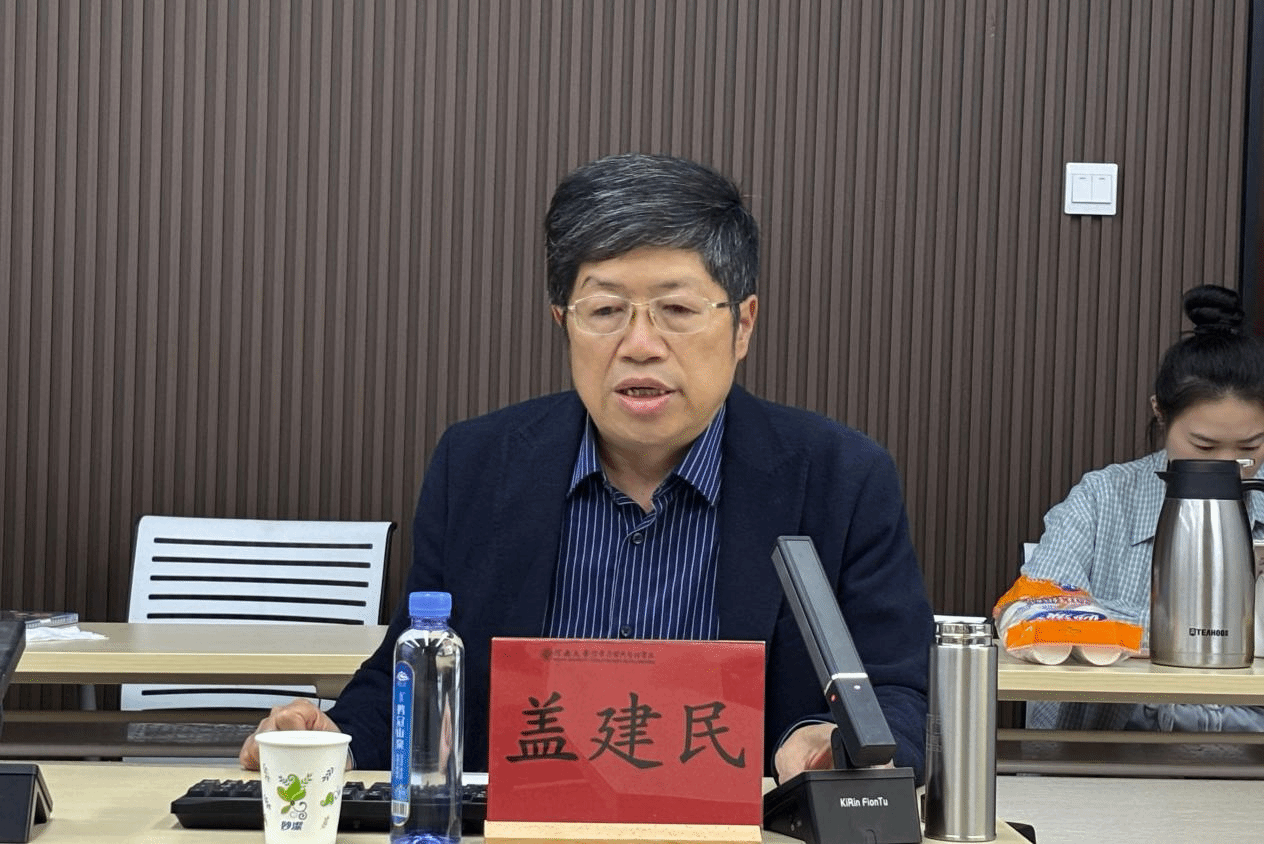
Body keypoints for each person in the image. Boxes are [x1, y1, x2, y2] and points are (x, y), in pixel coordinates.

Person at [238, 152, 934, 781]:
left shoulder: (840, 478)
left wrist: (830, 744)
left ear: (742, 324)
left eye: (677, 309)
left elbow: (896, 697)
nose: (640, 343)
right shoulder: (478, 466)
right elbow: (414, 680)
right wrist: (329, 738)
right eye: (605, 309)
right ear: (563, 322)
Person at [1018, 284, 1264, 731]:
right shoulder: (1103, 498)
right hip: (1099, 755)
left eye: (1250, 447)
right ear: (1160, 414)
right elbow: (1037, 609)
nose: (1227, 467)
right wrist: (1163, 633)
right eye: (1204, 446)